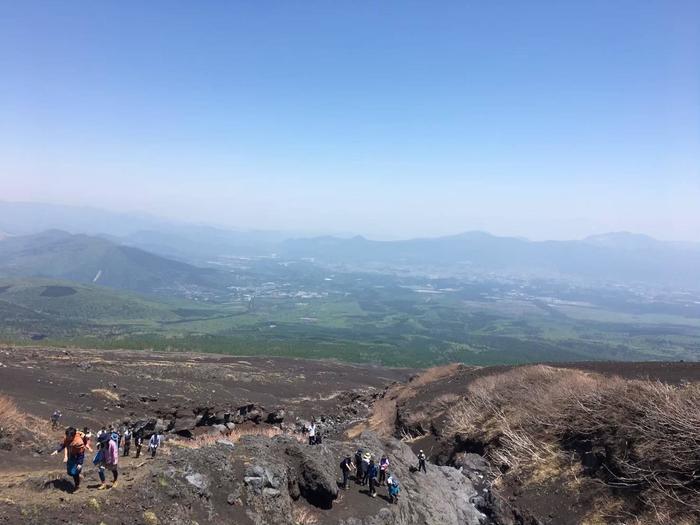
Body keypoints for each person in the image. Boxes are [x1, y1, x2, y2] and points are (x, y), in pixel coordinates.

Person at [51, 427, 86, 492]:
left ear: (73, 436)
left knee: (74, 472)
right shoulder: (67, 438)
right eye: (67, 436)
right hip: (71, 455)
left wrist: (80, 463)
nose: (67, 438)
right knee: (69, 472)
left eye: (69, 437)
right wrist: (57, 451)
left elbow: (81, 454)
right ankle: (78, 475)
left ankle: (77, 486)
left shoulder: (78, 442)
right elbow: (64, 445)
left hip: (76, 457)